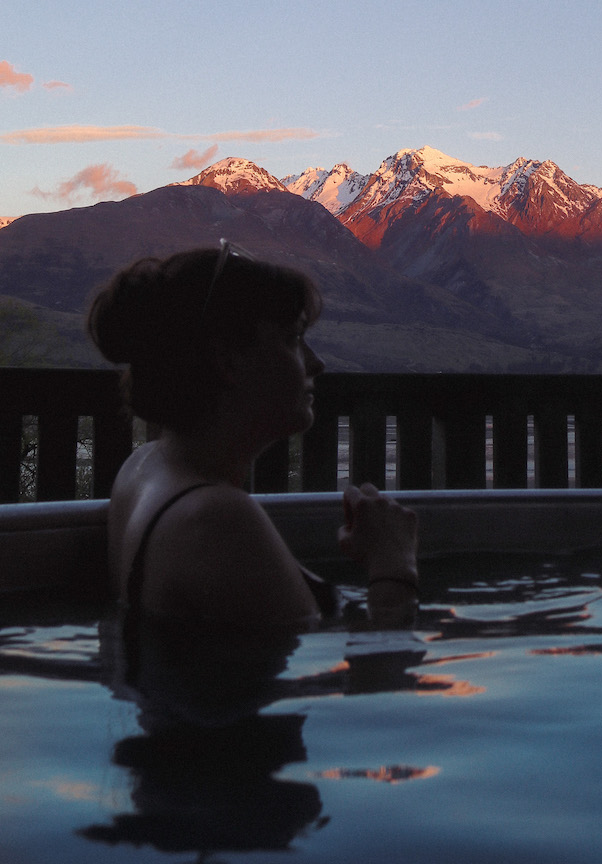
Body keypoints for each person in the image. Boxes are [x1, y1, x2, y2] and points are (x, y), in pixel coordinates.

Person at [87, 242, 418, 636]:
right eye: (293, 339)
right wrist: (393, 564)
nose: (317, 363)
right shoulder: (217, 520)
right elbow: (379, 675)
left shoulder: (144, 467)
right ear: (228, 361)